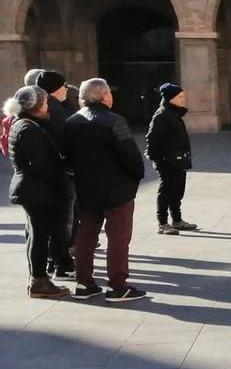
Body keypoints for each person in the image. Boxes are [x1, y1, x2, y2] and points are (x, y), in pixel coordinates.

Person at [63, 78, 147, 302]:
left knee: (86, 233)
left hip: (86, 187)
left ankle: (84, 283)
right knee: (118, 236)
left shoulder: (71, 121)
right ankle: (118, 286)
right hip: (116, 189)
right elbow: (130, 155)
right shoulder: (114, 121)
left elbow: (66, 155)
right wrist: (137, 175)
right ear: (104, 96)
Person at [5, 86, 71, 298]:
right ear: (35, 106)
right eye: (44, 102)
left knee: (36, 234)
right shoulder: (29, 128)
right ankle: (39, 281)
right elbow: (41, 164)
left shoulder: (25, 124)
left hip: (32, 188)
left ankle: (38, 277)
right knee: (40, 236)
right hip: (37, 190)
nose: (47, 105)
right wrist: (60, 172)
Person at [33, 70, 76, 278]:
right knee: (62, 221)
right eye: (64, 86)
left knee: (49, 223)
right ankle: (61, 262)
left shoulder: (43, 108)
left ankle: (51, 262)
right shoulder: (56, 111)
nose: (67, 89)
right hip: (59, 175)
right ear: (56, 89)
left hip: (42, 177)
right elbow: (67, 141)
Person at [145, 83, 197, 235]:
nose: (183, 99)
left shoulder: (174, 113)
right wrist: (159, 159)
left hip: (179, 159)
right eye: (179, 97)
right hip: (167, 160)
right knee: (166, 191)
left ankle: (177, 220)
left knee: (177, 190)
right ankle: (162, 223)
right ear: (169, 98)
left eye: (183, 96)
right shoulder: (162, 115)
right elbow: (152, 139)